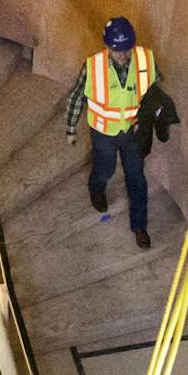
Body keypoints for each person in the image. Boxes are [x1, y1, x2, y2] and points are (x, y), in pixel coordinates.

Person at [64, 16, 158, 248]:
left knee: (136, 177)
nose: (123, 55)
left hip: (132, 132)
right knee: (105, 170)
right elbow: (77, 96)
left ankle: (139, 226)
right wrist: (71, 128)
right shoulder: (93, 67)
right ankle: (96, 189)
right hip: (103, 133)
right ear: (107, 47)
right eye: (118, 51)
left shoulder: (145, 61)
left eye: (127, 50)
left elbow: (155, 92)